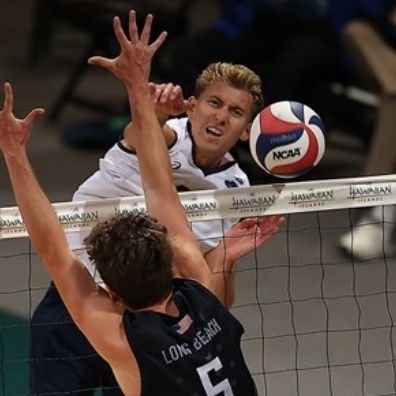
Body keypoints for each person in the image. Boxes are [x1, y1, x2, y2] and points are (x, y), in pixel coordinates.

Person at [1, 10, 284, 396]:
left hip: (134, 309)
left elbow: (53, 246)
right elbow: (150, 150)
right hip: (109, 308)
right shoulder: (166, 133)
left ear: (248, 128)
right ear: (191, 105)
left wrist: (225, 259)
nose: (220, 116)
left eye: (235, 112)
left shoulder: (236, 187)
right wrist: (148, 107)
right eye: (213, 103)